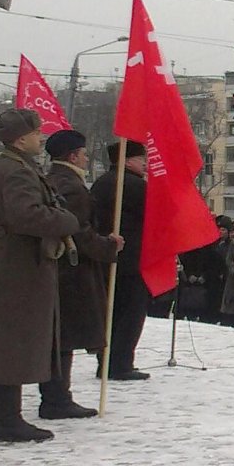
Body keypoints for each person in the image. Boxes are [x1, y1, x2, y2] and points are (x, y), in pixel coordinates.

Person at [0, 109, 80, 442]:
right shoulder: (15, 171)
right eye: (36, 132)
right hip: (17, 265)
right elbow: (26, 215)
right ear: (21, 138)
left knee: (7, 341)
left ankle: (4, 418)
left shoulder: (13, 166)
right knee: (10, 342)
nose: (41, 137)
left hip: (13, 261)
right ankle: (5, 420)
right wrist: (66, 221)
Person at [40, 130, 122, 420]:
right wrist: (108, 246)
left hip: (60, 267)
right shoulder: (72, 186)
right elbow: (79, 231)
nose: (87, 158)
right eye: (84, 154)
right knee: (65, 336)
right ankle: (57, 398)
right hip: (72, 270)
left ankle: (56, 396)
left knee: (60, 335)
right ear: (73, 156)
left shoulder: (53, 179)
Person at [90, 140, 150, 381]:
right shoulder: (135, 186)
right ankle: (121, 363)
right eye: (141, 159)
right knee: (130, 314)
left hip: (105, 257)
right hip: (132, 260)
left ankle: (104, 362)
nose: (145, 164)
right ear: (126, 160)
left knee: (110, 313)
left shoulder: (101, 183)